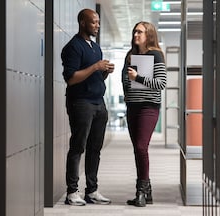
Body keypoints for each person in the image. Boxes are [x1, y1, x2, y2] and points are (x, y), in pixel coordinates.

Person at [61, 8, 114, 206]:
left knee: (95, 148)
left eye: (99, 22)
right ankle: (72, 192)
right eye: (94, 22)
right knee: (78, 147)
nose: (97, 26)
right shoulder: (72, 47)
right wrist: (95, 67)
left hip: (99, 102)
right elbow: (71, 78)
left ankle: (92, 190)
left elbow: (95, 76)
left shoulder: (95, 47)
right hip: (81, 103)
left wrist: (105, 71)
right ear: (83, 23)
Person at [121, 21, 167, 207]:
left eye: (139, 32)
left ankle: (141, 190)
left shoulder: (156, 55)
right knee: (137, 149)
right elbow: (125, 79)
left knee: (141, 147)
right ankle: (146, 190)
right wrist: (127, 89)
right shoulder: (130, 55)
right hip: (132, 107)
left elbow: (161, 83)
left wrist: (137, 78)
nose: (135, 35)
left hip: (149, 107)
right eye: (134, 32)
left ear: (148, 34)